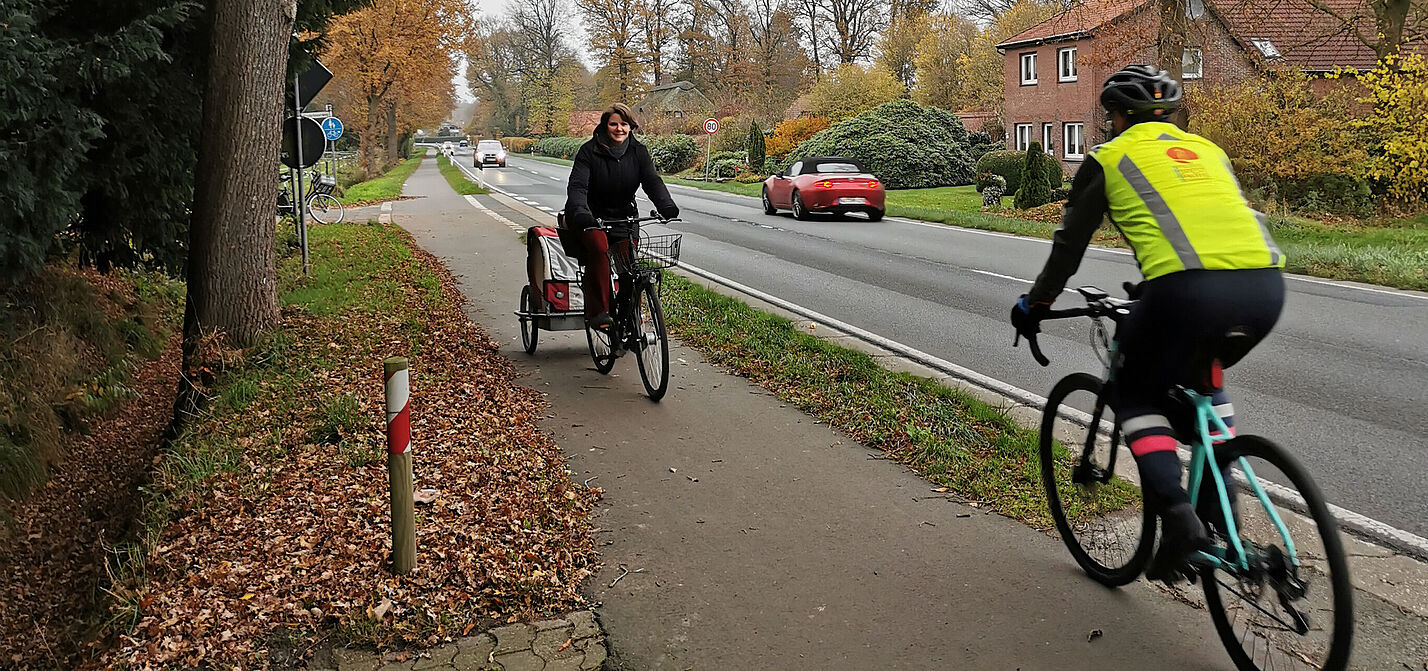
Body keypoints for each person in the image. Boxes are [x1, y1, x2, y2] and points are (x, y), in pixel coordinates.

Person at [1009, 65, 1287, 583]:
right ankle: (1218, 528)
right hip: (1266, 289)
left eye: (1109, 116)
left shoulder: (1110, 157)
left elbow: (1069, 247)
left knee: (1135, 395)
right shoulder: (1210, 152)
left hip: (1184, 292)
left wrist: (1036, 305)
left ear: (1116, 117)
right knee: (1207, 397)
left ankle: (1181, 525)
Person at [564, 103, 680, 330]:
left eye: (624, 124)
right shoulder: (589, 151)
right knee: (598, 250)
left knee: (629, 265)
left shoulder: (638, 152)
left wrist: (666, 205)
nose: (619, 129)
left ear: (630, 127)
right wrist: (580, 211)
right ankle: (599, 312)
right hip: (591, 215)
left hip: (624, 216)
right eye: (613, 124)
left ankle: (629, 318)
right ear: (605, 126)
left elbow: (651, 181)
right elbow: (578, 186)